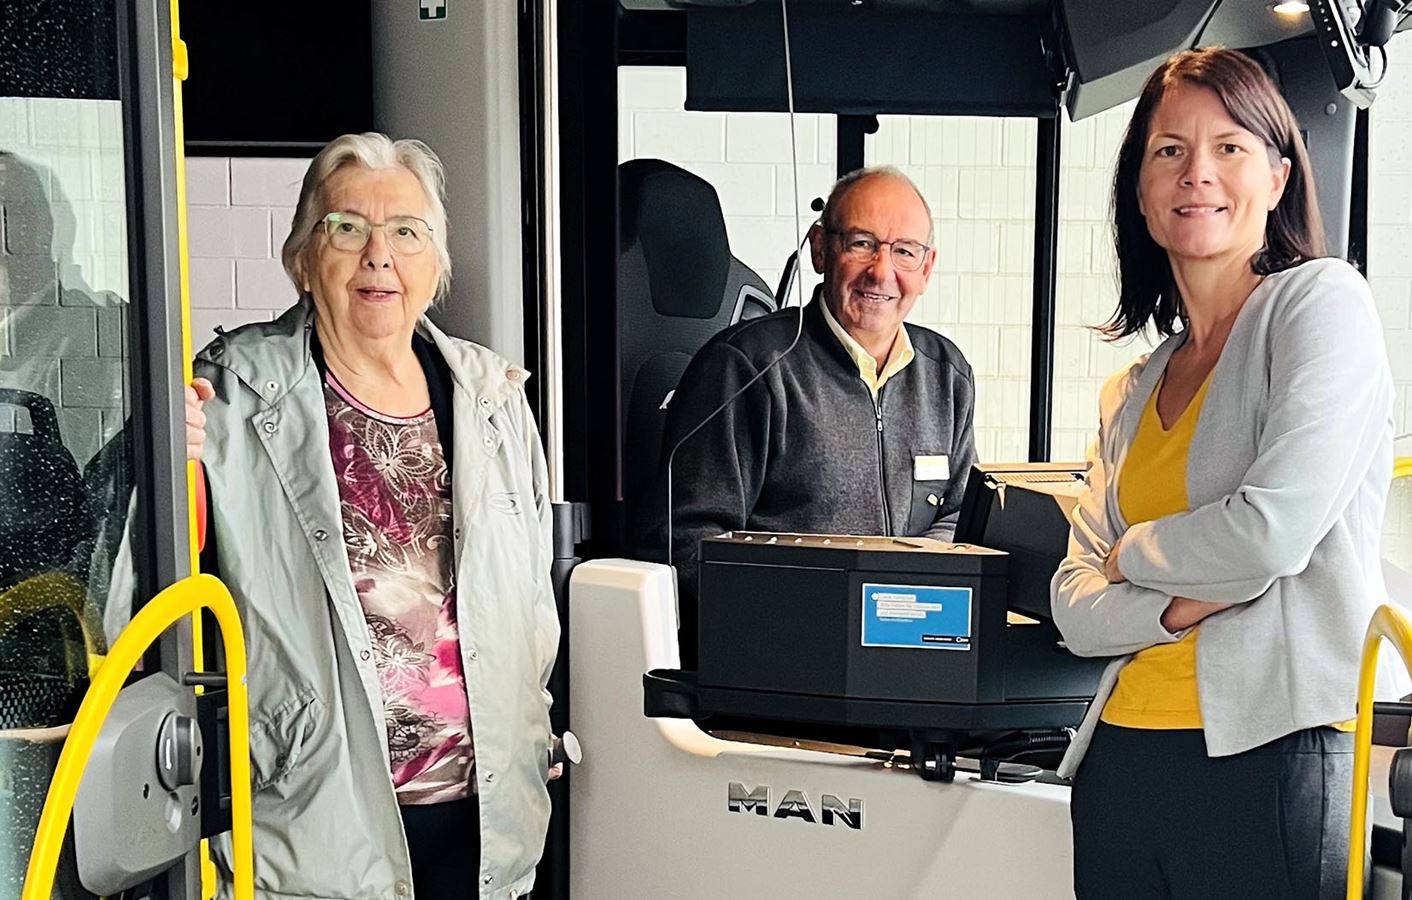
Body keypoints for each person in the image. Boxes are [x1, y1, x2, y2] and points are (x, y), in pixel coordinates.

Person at [179, 132, 560, 899]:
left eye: (406, 232)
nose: (378, 255)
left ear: (435, 266)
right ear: (303, 257)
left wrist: (531, 723)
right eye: (347, 227)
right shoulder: (229, 397)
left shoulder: (491, 398)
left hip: (486, 822)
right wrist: (157, 456)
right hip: (315, 819)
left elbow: (534, 596)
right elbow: (147, 595)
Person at [1050, 48, 1394, 898]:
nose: (1196, 172)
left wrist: (1131, 555)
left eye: (1229, 147)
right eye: (1169, 150)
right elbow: (1071, 603)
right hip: (1122, 760)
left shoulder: (1320, 306)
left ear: (1278, 177)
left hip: (1267, 759)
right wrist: (1183, 598)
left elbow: (1269, 533)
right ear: (1140, 186)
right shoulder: (1133, 389)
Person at [654, 166, 977, 663]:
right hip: (781, 668)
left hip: (906, 661)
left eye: (904, 251)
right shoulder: (749, 367)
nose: (882, 273)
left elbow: (958, 518)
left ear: (927, 268)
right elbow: (688, 541)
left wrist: (905, 613)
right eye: (863, 244)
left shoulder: (947, 376)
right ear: (821, 249)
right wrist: (825, 622)